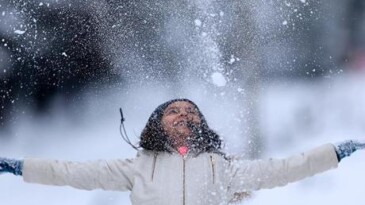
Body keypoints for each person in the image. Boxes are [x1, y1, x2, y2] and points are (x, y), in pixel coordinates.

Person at [0, 98, 364, 205]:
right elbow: (71, 171)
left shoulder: (223, 168)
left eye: (191, 111)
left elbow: (284, 168)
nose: (184, 114)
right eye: (174, 110)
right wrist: (20, 168)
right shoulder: (137, 167)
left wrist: (334, 152)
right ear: (157, 123)